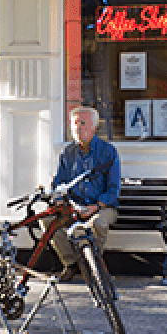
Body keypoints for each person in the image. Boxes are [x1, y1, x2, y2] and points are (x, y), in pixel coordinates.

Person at [50, 106, 122, 281]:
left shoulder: (108, 151)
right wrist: (59, 200)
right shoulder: (68, 153)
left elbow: (114, 190)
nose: (78, 128)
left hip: (102, 207)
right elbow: (58, 183)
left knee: (98, 223)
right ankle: (72, 264)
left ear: (94, 127)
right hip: (74, 206)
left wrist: (96, 206)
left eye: (83, 123)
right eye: (75, 124)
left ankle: (94, 266)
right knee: (48, 223)